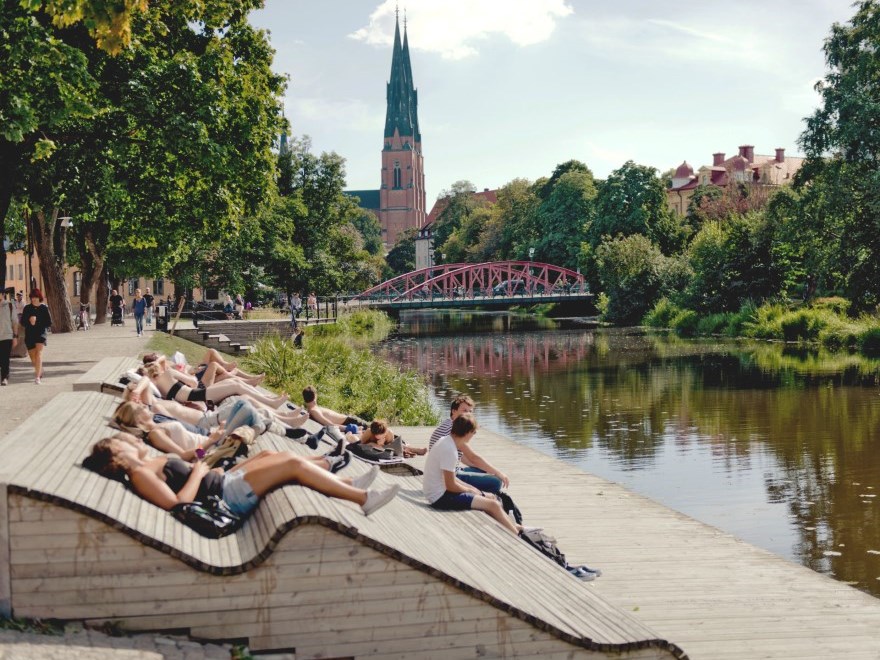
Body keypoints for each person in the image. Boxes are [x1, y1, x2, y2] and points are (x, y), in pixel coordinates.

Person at [83, 436, 400, 517]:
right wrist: (199, 471)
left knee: (275, 456)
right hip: (226, 498)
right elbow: (178, 504)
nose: (130, 441)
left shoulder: (145, 465)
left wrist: (205, 466)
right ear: (116, 453)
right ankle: (363, 499)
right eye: (123, 442)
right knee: (292, 465)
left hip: (223, 484)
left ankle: (345, 484)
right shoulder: (139, 474)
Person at [423, 413, 520, 535]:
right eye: (474, 432)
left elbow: (451, 480)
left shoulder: (446, 441)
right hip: (439, 498)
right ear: (468, 432)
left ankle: (513, 526)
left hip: (436, 493)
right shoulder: (450, 450)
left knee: (490, 497)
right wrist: (472, 491)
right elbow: (451, 486)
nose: (473, 435)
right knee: (493, 504)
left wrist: (475, 490)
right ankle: (518, 536)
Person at [429, 395, 509, 495]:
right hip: (449, 475)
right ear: (454, 411)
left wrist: (482, 468)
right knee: (496, 482)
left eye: (470, 411)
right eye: (464, 410)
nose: (468, 414)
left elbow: (461, 457)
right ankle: (481, 494)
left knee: (484, 469)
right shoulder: (453, 430)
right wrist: (498, 473)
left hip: (448, 470)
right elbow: (473, 457)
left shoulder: (449, 423)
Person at [145, 356, 288, 409]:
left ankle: (269, 400)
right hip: (199, 394)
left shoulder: (157, 385)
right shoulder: (169, 373)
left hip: (197, 396)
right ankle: (271, 402)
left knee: (236, 383)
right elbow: (193, 383)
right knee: (236, 385)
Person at [21, 288, 52, 385]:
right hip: (29, 334)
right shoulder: (27, 308)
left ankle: (37, 377)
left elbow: (49, 322)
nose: (33, 299)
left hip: (40, 333)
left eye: (35, 297)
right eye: (32, 297)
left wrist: (37, 321)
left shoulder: (44, 308)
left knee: (38, 353)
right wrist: (29, 320)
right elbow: (22, 322)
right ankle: (40, 369)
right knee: (32, 356)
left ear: (39, 297)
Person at [301, 385, 368, 427]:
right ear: (315, 396)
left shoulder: (313, 409)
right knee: (373, 428)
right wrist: (347, 428)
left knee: (373, 428)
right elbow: (329, 424)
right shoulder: (314, 410)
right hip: (349, 422)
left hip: (349, 420)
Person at [0, 288, 17, 386]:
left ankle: (4, 378)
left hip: (7, 336)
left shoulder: (9, 305)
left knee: (5, 358)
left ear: (2, 295)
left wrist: (15, 336)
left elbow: (15, 322)